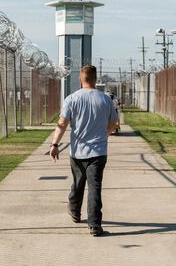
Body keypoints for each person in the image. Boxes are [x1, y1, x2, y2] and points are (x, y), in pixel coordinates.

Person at [50, 65, 118, 237]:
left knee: (78, 183)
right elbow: (113, 123)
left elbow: (62, 124)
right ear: (96, 79)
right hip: (98, 151)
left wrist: (55, 144)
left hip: (78, 152)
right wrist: (105, 135)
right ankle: (94, 225)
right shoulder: (106, 100)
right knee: (95, 187)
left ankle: (74, 210)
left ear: (81, 80)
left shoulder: (72, 99)